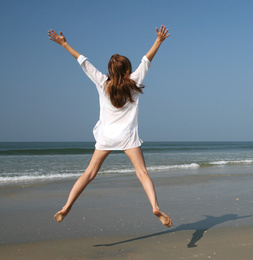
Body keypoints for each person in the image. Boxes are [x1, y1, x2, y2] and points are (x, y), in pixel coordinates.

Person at [48, 26, 172, 227]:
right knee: (142, 173)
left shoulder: (102, 82)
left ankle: (66, 206)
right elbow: (146, 60)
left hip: (105, 137)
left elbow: (83, 62)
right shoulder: (134, 81)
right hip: (127, 137)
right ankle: (155, 206)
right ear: (128, 70)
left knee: (89, 174)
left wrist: (64, 44)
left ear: (111, 70)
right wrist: (158, 41)